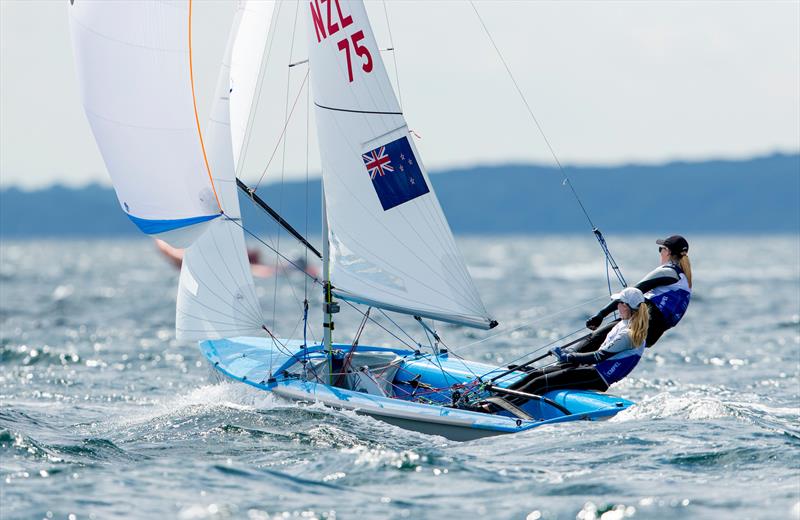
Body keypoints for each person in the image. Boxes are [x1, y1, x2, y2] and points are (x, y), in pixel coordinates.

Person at [506, 287, 650, 396]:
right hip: (592, 370)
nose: (617, 306)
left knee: (540, 383)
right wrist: (569, 354)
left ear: (625, 306)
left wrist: (568, 356)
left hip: (598, 378)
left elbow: (599, 356)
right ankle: (496, 397)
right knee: (534, 375)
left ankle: (491, 408)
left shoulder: (629, 334)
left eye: (619, 302)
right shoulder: (624, 323)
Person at [581, 234, 692, 353]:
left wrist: (601, 315)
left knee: (592, 342)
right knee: (603, 352)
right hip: (651, 336)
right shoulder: (685, 280)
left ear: (667, 252)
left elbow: (630, 295)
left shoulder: (667, 272)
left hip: (639, 327)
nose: (660, 253)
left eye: (661, 249)